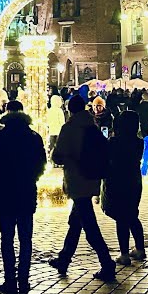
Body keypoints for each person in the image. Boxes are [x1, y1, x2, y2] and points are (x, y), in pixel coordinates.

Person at [49, 95, 115, 281]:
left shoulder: (69, 128)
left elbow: (58, 156)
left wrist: (63, 157)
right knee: (75, 223)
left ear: (70, 109)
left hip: (77, 180)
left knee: (90, 227)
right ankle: (64, 258)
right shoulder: (91, 126)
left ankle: (107, 263)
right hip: (91, 179)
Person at [0, 100, 46, 294]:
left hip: (5, 193)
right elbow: (41, 163)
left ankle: (9, 279)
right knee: (25, 238)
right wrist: (32, 177)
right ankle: (24, 278)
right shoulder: (33, 137)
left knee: (6, 239)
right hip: (25, 191)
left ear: (6, 114)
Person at [103, 109, 146, 267]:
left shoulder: (114, 142)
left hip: (117, 180)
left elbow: (107, 159)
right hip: (134, 180)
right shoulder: (138, 142)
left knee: (121, 218)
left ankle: (124, 253)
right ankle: (140, 249)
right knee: (132, 215)